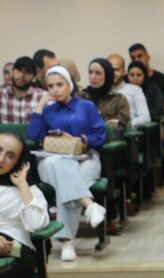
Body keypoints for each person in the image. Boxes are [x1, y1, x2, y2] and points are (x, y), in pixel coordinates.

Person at [27, 66, 107, 261]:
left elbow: (100, 134)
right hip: (51, 161)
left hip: (86, 158)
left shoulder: (86, 106)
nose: (55, 90)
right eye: (50, 86)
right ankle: (89, 205)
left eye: (59, 84)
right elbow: (33, 135)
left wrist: (81, 139)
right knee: (60, 164)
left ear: (69, 85)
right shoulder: (48, 110)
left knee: (67, 187)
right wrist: (40, 106)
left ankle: (67, 242)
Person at [0, 132, 49, 278]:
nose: (1, 159)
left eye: (10, 155)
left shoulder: (30, 191)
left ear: (19, 161)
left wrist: (22, 185)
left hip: (18, 255)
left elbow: (37, 224)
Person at [78, 58, 130, 130]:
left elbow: (120, 123)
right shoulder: (79, 97)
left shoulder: (119, 99)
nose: (93, 77)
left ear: (107, 75)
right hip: (83, 135)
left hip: (109, 136)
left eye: (98, 73)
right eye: (90, 72)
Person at [128, 43, 164, 114]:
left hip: (158, 119)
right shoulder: (126, 79)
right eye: (133, 58)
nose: (137, 60)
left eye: (140, 56)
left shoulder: (161, 78)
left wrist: (151, 111)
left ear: (148, 57)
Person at [107, 54, 150, 128]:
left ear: (124, 72)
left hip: (129, 132)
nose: (112, 73)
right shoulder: (99, 91)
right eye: (109, 70)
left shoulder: (135, 90)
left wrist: (123, 126)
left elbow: (145, 118)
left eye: (116, 70)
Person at [0, 57, 45, 124]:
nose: (21, 75)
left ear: (34, 78)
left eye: (27, 72)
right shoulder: (2, 95)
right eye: (18, 70)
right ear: (13, 72)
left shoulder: (43, 96)